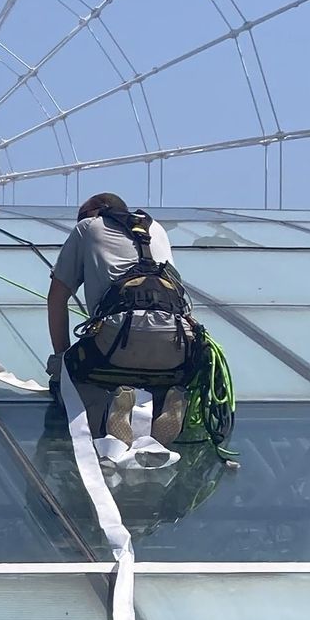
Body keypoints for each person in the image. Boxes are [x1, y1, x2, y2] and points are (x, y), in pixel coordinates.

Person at [46, 192, 194, 449]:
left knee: (77, 374)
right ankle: (166, 403)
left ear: (96, 210)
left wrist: (60, 361)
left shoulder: (87, 227)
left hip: (119, 335)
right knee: (156, 370)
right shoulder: (155, 228)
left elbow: (56, 300)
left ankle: (107, 418)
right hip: (178, 341)